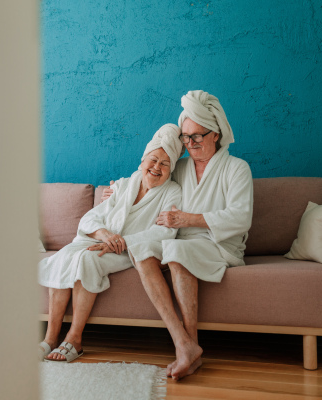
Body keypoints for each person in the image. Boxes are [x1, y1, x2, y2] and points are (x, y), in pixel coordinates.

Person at [101, 91, 253, 380]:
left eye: (197, 136)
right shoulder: (179, 167)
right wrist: (118, 191)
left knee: (175, 251)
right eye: (185, 137)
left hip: (219, 245)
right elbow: (148, 177)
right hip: (179, 239)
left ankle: (189, 345)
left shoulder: (237, 169)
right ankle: (184, 343)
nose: (190, 143)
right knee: (143, 247)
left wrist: (187, 219)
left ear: (216, 134)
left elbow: (241, 217)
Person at [38, 124, 184, 362]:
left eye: (164, 164)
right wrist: (105, 234)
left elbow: (163, 232)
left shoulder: (172, 192)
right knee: (63, 257)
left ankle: (74, 339)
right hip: (104, 239)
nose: (157, 167)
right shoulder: (126, 184)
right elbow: (92, 217)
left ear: (171, 170)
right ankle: (50, 339)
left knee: (88, 259)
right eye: (153, 160)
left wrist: (122, 241)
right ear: (143, 160)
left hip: (129, 249)